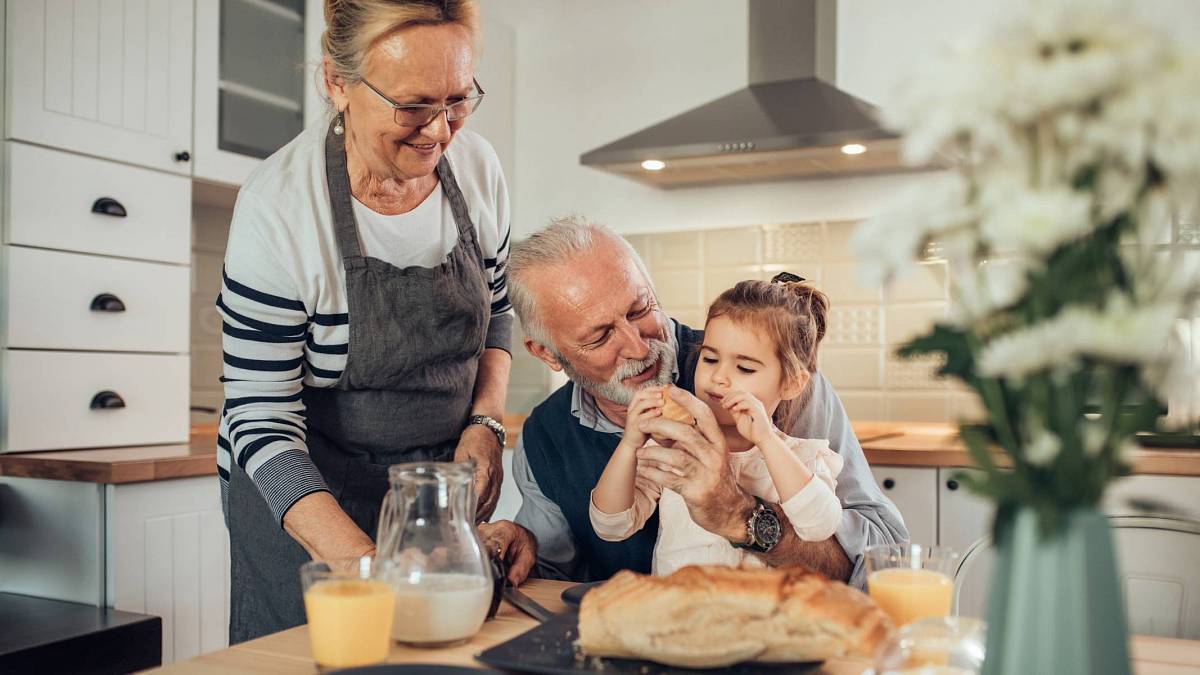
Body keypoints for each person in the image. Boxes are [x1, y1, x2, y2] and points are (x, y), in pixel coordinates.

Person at [217, 0, 519, 643]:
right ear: (337, 82)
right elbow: (260, 417)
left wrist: (487, 423)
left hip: (435, 495)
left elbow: (497, 311)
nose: (440, 131)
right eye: (413, 105)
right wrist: (367, 569)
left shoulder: (479, 170)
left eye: (459, 101)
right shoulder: (279, 208)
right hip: (308, 493)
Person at [481, 215, 907, 590]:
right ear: (547, 353)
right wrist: (527, 547)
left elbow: (883, 564)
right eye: (599, 336)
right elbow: (558, 575)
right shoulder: (545, 434)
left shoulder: (769, 386)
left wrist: (742, 516)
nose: (636, 346)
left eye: (639, 308)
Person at [590, 278, 845, 576]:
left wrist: (766, 440)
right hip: (681, 614)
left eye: (745, 368)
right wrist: (630, 444)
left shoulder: (800, 457)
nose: (719, 377)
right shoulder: (674, 446)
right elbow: (611, 524)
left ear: (791, 384)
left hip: (762, 617)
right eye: (709, 359)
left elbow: (819, 526)